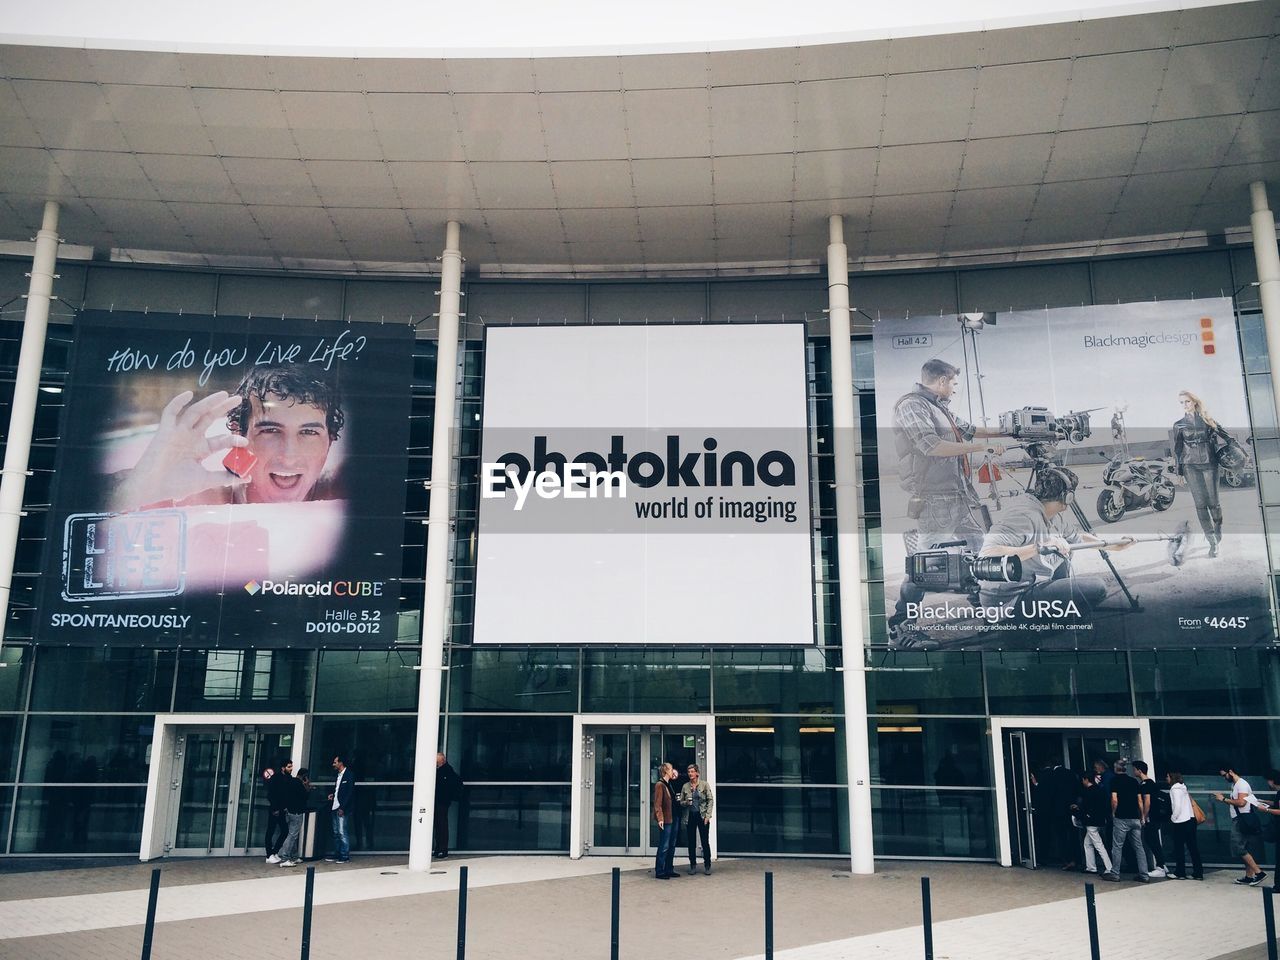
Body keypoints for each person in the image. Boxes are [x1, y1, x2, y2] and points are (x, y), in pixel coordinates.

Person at [887, 358, 1009, 644]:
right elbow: (931, 446)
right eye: (953, 383)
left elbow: (971, 430)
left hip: (959, 496)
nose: (954, 388)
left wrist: (1010, 430)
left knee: (980, 557)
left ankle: (989, 613)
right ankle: (902, 625)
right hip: (934, 500)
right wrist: (983, 446)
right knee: (926, 566)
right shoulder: (912, 405)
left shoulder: (939, 407)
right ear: (941, 381)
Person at [110, 365, 345, 512]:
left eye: (309, 432)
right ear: (238, 434)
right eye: (270, 431)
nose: (289, 455)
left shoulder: (341, 488)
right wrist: (137, 488)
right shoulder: (193, 499)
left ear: (330, 441)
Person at [979, 466, 1129, 621]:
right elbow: (987, 553)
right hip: (1009, 601)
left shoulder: (1049, 514)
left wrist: (1113, 544)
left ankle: (1047, 618)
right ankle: (1024, 629)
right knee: (1097, 588)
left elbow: (1077, 537)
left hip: (1027, 586)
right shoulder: (1024, 516)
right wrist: (1039, 547)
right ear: (1068, 497)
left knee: (1064, 551)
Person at [1172, 390, 1227, 558]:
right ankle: (1212, 542)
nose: (1184, 405)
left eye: (1187, 401)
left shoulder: (1207, 420)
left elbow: (1225, 436)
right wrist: (1179, 471)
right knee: (1200, 505)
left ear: (1194, 402)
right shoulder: (1178, 425)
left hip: (1210, 465)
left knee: (1214, 504)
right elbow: (1178, 450)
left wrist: (1237, 452)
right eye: (1181, 402)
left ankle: (1217, 531)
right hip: (1190, 467)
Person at [1213, 764, 1267, 885]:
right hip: (1242, 819)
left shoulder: (1241, 784)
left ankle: (1259, 872)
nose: (1224, 778)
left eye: (1224, 775)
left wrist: (1223, 799)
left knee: (1238, 848)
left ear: (1231, 772)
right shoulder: (1236, 784)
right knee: (1244, 848)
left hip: (1241, 820)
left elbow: (1241, 803)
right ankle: (1249, 876)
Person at [1103, 766, 1149, 883]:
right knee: (1139, 847)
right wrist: (1142, 816)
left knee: (1117, 846)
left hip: (1121, 818)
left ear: (1116, 769)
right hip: (1135, 818)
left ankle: (1115, 874)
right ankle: (1144, 875)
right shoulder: (1134, 781)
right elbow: (1140, 800)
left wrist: (1113, 813)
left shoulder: (1115, 781)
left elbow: (1114, 799)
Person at [1165, 771, 1203, 881]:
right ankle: (1198, 872)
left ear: (1172, 778)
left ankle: (1180, 872)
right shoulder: (1183, 787)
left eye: (1167, 776)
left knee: (1179, 848)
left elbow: (1177, 805)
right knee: (1193, 847)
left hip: (1181, 821)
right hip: (1191, 820)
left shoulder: (1174, 789)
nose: (1166, 778)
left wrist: (1173, 817)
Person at [1133, 761, 1167, 878]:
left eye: (1135, 769)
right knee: (1152, 840)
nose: (1134, 772)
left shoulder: (1145, 784)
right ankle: (1162, 864)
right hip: (1155, 816)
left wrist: (1144, 816)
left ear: (1140, 770)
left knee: (1152, 840)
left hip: (1151, 817)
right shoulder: (1151, 783)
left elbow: (1147, 801)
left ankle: (1161, 867)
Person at [1074, 772, 1113, 875]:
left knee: (1098, 845)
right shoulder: (1100, 790)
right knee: (1087, 843)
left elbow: (1085, 807)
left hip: (1091, 822)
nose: (1082, 782)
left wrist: (1079, 813)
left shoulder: (1087, 792)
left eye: (1083, 780)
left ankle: (1109, 868)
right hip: (1100, 820)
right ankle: (1090, 867)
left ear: (1086, 779)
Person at [679, 763, 714, 875]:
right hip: (690, 816)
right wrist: (686, 802)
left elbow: (710, 800)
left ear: (697, 773)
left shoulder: (704, 785)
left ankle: (707, 865)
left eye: (692, 772)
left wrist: (707, 816)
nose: (690, 774)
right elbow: (681, 802)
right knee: (691, 842)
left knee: (704, 841)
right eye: (689, 772)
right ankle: (692, 865)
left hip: (702, 815)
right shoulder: (685, 786)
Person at [274, 760, 307, 868]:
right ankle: (285, 858)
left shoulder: (290, 781)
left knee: (292, 834)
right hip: (296, 812)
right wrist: (306, 786)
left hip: (289, 811)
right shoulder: (298, 783)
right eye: (289, 766)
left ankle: (293, 856)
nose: (291, 768)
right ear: (304, 776)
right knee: (292, 835)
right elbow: (305, 796)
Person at [325, 753, 356, 864]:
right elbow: (339, 790)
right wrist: (333, 795)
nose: (333, 764)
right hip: (335, 806)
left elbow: (349, 793)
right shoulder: (338, 775)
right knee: (336, 832)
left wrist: (343, 807)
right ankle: (337, 853)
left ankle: (344, 855)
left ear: (341, 763)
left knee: (342, 832)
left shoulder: (349, 775)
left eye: (335, 762)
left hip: (342, 808)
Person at [434, 752, 464, 860]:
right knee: (439, 825)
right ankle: (439, 848)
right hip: (441, 800)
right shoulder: (445, 771)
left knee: (441, 825)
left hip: (442, 801)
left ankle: (442, 849)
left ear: (441, 761)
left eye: (437, 762)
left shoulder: (446, 772)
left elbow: (448, 787)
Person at [652, 762, 679, 880]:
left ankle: (669, 869)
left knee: (671, 845)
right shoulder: (660, 785)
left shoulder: (669, 784)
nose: (673, 770)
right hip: (666, 819)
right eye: (671, 769)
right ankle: (660, 870)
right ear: (666, 771)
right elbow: (657, 804)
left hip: (674, 817)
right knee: (664, 845)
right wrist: (660, 819)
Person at [262, 762, 287, 864]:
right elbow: (271, 794)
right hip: (275, 809)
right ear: (283, 768)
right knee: (270, 831)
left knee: (285, 830)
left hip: (281, 809)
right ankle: (269, 854)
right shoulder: (276, 778)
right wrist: (275, 808)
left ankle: (274, 851)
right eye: (289, 767)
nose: (291, 769)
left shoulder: (286, 779)